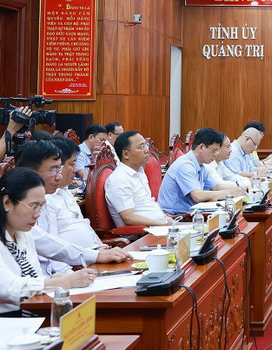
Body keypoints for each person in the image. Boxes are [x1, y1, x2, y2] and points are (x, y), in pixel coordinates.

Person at [15, 141, 130, 275]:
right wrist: (73, 274)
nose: (59, 176)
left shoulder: (49, 197)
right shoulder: (26, 208)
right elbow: (48, 247)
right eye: (53, 170)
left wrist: (99, 251)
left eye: (59, 169)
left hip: (74, 267)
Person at [0, 168, 96, 314]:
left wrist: (55, 279)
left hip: (34, 311)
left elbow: (34, 277)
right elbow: (10, 288)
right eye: (32, 206)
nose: (38, 214)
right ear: (7, 202)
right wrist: (62, 282)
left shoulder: (23, 234)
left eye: (41, 206)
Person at [158, 128, 246, 215]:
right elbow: (198, 196)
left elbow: (216, 186)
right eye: (214, 151)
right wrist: (229, 193)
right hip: (174, 216)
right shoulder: (185, 165)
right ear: (202, 147)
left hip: (191, 213)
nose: (215, 156)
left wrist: (238, 189)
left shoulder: (201, 165)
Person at [105, 131, 170, 227]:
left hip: (159, 225)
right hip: (143, 234)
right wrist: (163, 224)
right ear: (126, 154)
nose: (147, 150)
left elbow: (147, 205)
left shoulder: (139, 171)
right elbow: (128, 217)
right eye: (141, 147)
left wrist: (169, 221)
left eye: (146, 145)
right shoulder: (119, 179)